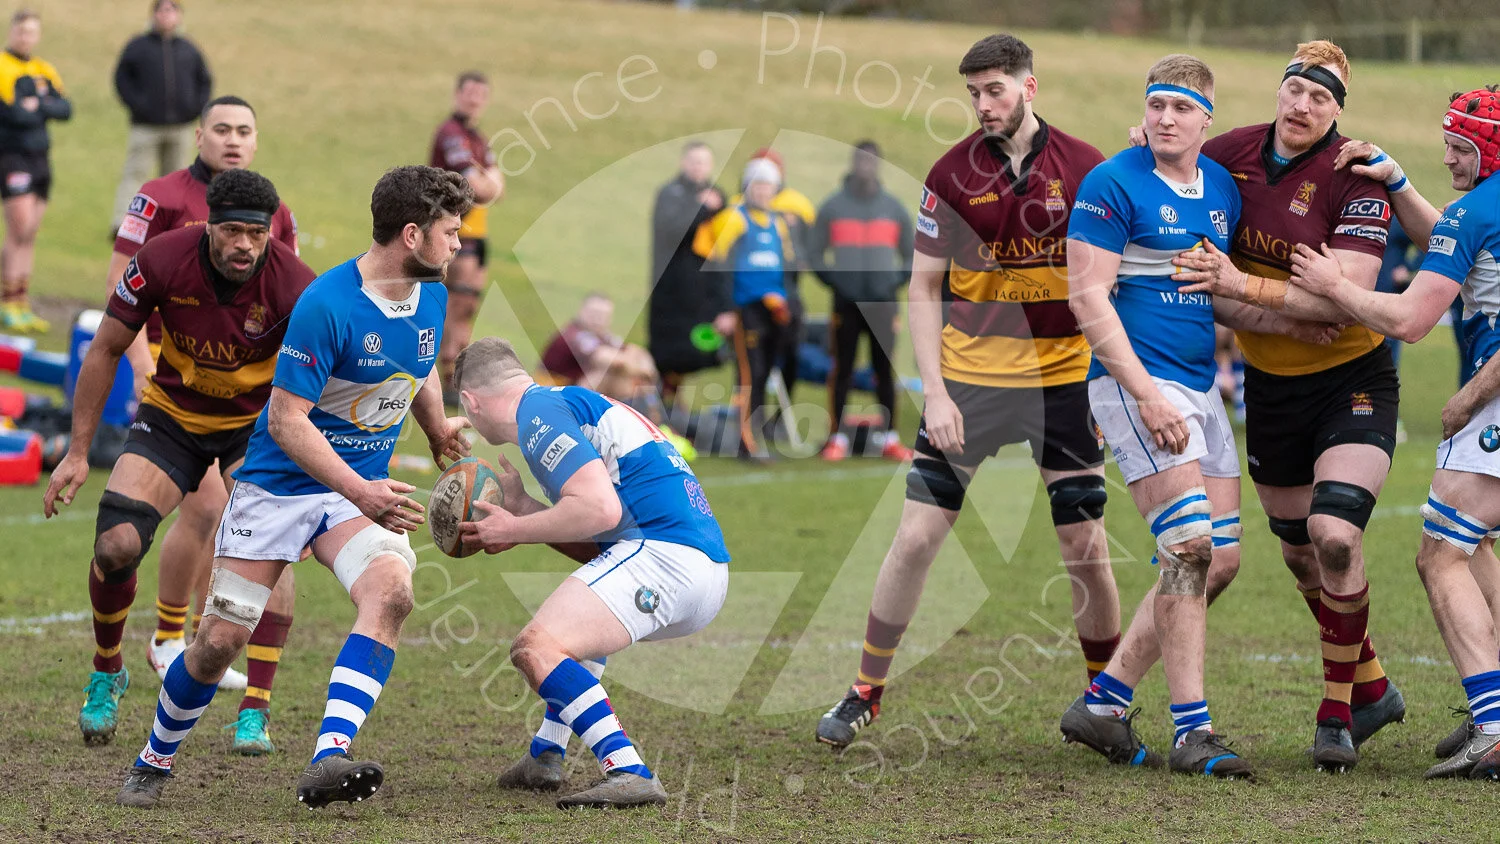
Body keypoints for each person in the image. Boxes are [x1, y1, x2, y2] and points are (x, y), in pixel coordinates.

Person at [111, 165, 473, 809]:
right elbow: (285, 420)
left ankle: (329, 756)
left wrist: (437, 428)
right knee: (219, 642)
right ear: (413, 235)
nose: (459, 244)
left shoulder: (432, 293)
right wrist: (361, 491)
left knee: (391, 594)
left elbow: (419, 366)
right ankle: (154, 758)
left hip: (353, 491)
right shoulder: (327, 304)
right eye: (451, 231)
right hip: (280, 487)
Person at [813, 34, 1122, 748]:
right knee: (917, 537)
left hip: (1062, 383)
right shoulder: (950, 174)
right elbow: (923, 288)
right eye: (974, 93)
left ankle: (1104, 700)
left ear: (1029, 87)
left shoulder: (1087, 167)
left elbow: (1111, 275)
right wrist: (936, 394)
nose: (983, 105)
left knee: (1085, 543)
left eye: (995, 91)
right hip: (970, 383)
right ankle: (866, 690)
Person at [1064, 54, 1341, 779]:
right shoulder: (1111, 182)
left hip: (1201, 389)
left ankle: (1104, 703)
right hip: (1137, 384)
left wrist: (1292, 325)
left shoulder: (1219, 186)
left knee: (1219, 560)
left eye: (1182, 108)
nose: (1165, 119)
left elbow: (1214, 292)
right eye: (1156, 105)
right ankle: (1194, 731)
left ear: (1205, 118)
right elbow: (1087, 298)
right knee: (1186, 546)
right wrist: (1145, 395)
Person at [1137, 41, 1407, 771]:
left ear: (1336, 111)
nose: (1302, 105)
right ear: (1279, 91)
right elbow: (1169, 194)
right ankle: (1373, 687)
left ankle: (1336, 715)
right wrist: (1150, 140)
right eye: (1295, 90)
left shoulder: (1355, 175)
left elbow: (1345, 296)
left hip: (1351, 380)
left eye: (1321, 98)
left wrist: (1242, 283)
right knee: (1298, 553)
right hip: (1271, 387)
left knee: (1334, 537)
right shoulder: (1229, 154)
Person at [40, 171, 313, 757]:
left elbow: (327, 386)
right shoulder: (162, 259)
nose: (244, 245)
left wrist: (314, 485)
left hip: (254, 428)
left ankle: (255, 709)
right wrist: (78, 452)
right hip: (172, 417)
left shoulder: (296, 285)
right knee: (115, 545)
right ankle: (107, 670)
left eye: (256, 234)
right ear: (208, 225)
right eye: (232, 231)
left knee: (274, 547)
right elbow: (106, 348)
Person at [1287, 86, 1500, 779]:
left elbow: (1409, 320)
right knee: (1474, 542)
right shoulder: (1479, 213)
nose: (1449, 158)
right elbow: (1459, 238)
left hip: (1495, 408)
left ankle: (1493, 725)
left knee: (1440, 553)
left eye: (1460, 148)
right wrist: (1401, 183)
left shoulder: (1475, 212)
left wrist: (1335, 287)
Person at [453, 336, 730, 808]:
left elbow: (600, 510)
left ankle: (628, 770)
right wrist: (525, 509)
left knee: (535, 648)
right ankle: (546, 753)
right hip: (694, 566)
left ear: (470, 402)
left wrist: (514, 528)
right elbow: (600, 541)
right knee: (575, 633)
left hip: (665, 559)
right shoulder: (559, 404)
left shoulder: (538, 416)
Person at [112, 94, 301, 728]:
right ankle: (171, 637)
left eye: (244, 130)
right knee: (204, 511)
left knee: (236, 523)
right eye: (222, 128)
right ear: (199, 135)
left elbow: (286, 302)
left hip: (245, 396)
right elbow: (120, 282)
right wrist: (142, 366)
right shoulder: (160, 196)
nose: (233, 139)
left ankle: (199, 636)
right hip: (173, 383)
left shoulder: (274, 210)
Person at [807, 140, 914, 462]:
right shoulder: (833, 206)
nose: (865, 166)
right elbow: (814, 253)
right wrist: (836, 281)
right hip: (846, 304)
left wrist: (893, 282)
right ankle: (837, 437)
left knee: (885, 369)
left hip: (883, 304)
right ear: (853, 163)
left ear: (878, 165)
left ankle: (890, 438)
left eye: (871, 161)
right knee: (842, 368)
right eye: (861, 160)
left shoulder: (893, 208)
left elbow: (911, 254)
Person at [694, 158, 798, 463]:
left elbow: (786, 267)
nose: (763, 191)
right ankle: (746, 442)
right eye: (758, 185)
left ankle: (758, 434)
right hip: (744, 310)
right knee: (749, 374)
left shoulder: (777, 223)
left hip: (773, 310)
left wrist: (787, 302)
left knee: (765, 372)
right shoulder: (734, 218)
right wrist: (726, 309)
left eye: (768, 186)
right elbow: (718, 265)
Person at [429, 70, 504, 404]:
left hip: (478, 233)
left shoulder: (479, 138)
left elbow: (498, 188)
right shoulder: (451, 134)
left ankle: (459, 377)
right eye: (469, 92)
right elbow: (477, 185)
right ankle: (446, 374)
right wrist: (489, 183)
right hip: (455, 230)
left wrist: (490, 184)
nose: (475, 99)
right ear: (457, 94)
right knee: (454, 304)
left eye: (481, 94)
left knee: (469, 305)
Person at [110, 0, 212, 234]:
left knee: (177, 179)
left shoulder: (189, 49)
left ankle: (172, 225)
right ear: (153, 15)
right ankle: (123, 224)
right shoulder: (138, 46)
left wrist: (193, 109)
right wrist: (139, 106)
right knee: (136, 174)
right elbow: (122, 79)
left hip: (180, 127)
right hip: (145, 126)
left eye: (171, 10)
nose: (166, 15)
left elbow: (204, 81)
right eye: (162, 10)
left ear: (179, 16)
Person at [0, 9, 69, 333]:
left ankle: (22, 302)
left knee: (31, 232)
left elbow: (65, 108)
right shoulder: (3, 67)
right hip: (13, 156)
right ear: (12, 32)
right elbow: (13, 114)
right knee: (19, 227)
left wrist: (38, 105)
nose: (25, 37)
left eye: (31, 32)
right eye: (21, 31)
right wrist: (42, 107)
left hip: (41, 157)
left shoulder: (43, 69)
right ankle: (7, 302)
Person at [648, 140, 731, 407]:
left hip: (704, 294)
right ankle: (663, 410)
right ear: (683, 163)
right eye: (694, 161)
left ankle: (677, 408)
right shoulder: (670, 194)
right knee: (667, 356)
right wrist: (702, 208)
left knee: (702, 352)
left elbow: (724, 245)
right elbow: (671, 230)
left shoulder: (718, 197)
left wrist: (725, 303)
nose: (698, 167)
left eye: (703, 162)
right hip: (670, 292)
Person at [537, 292, 659, 405]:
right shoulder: (574, 334)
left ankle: (643, 405)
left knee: (624, 374)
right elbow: (611, 360)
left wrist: (644, 369)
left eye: (603, 316)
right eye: (593, 313)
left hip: (569, 391)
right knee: (607, 372)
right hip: (550, 394)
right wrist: (644, 372)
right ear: (581, 311)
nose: (597, 319)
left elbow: (636, 351)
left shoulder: (604, 337)